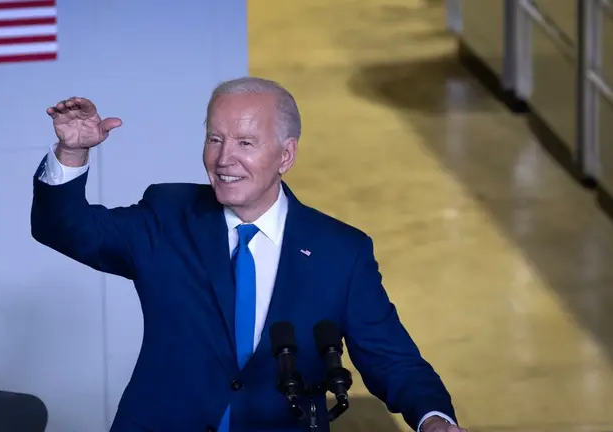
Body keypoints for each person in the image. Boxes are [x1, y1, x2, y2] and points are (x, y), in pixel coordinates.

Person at [31, 77, 466, 432]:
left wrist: (433, 418)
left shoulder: (341, 251)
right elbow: (66, 230)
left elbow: (391, 357)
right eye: (214, 139)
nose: (224, 159)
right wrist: (72, 151)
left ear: (286, 154)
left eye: (245, 143)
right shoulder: (168, 215)